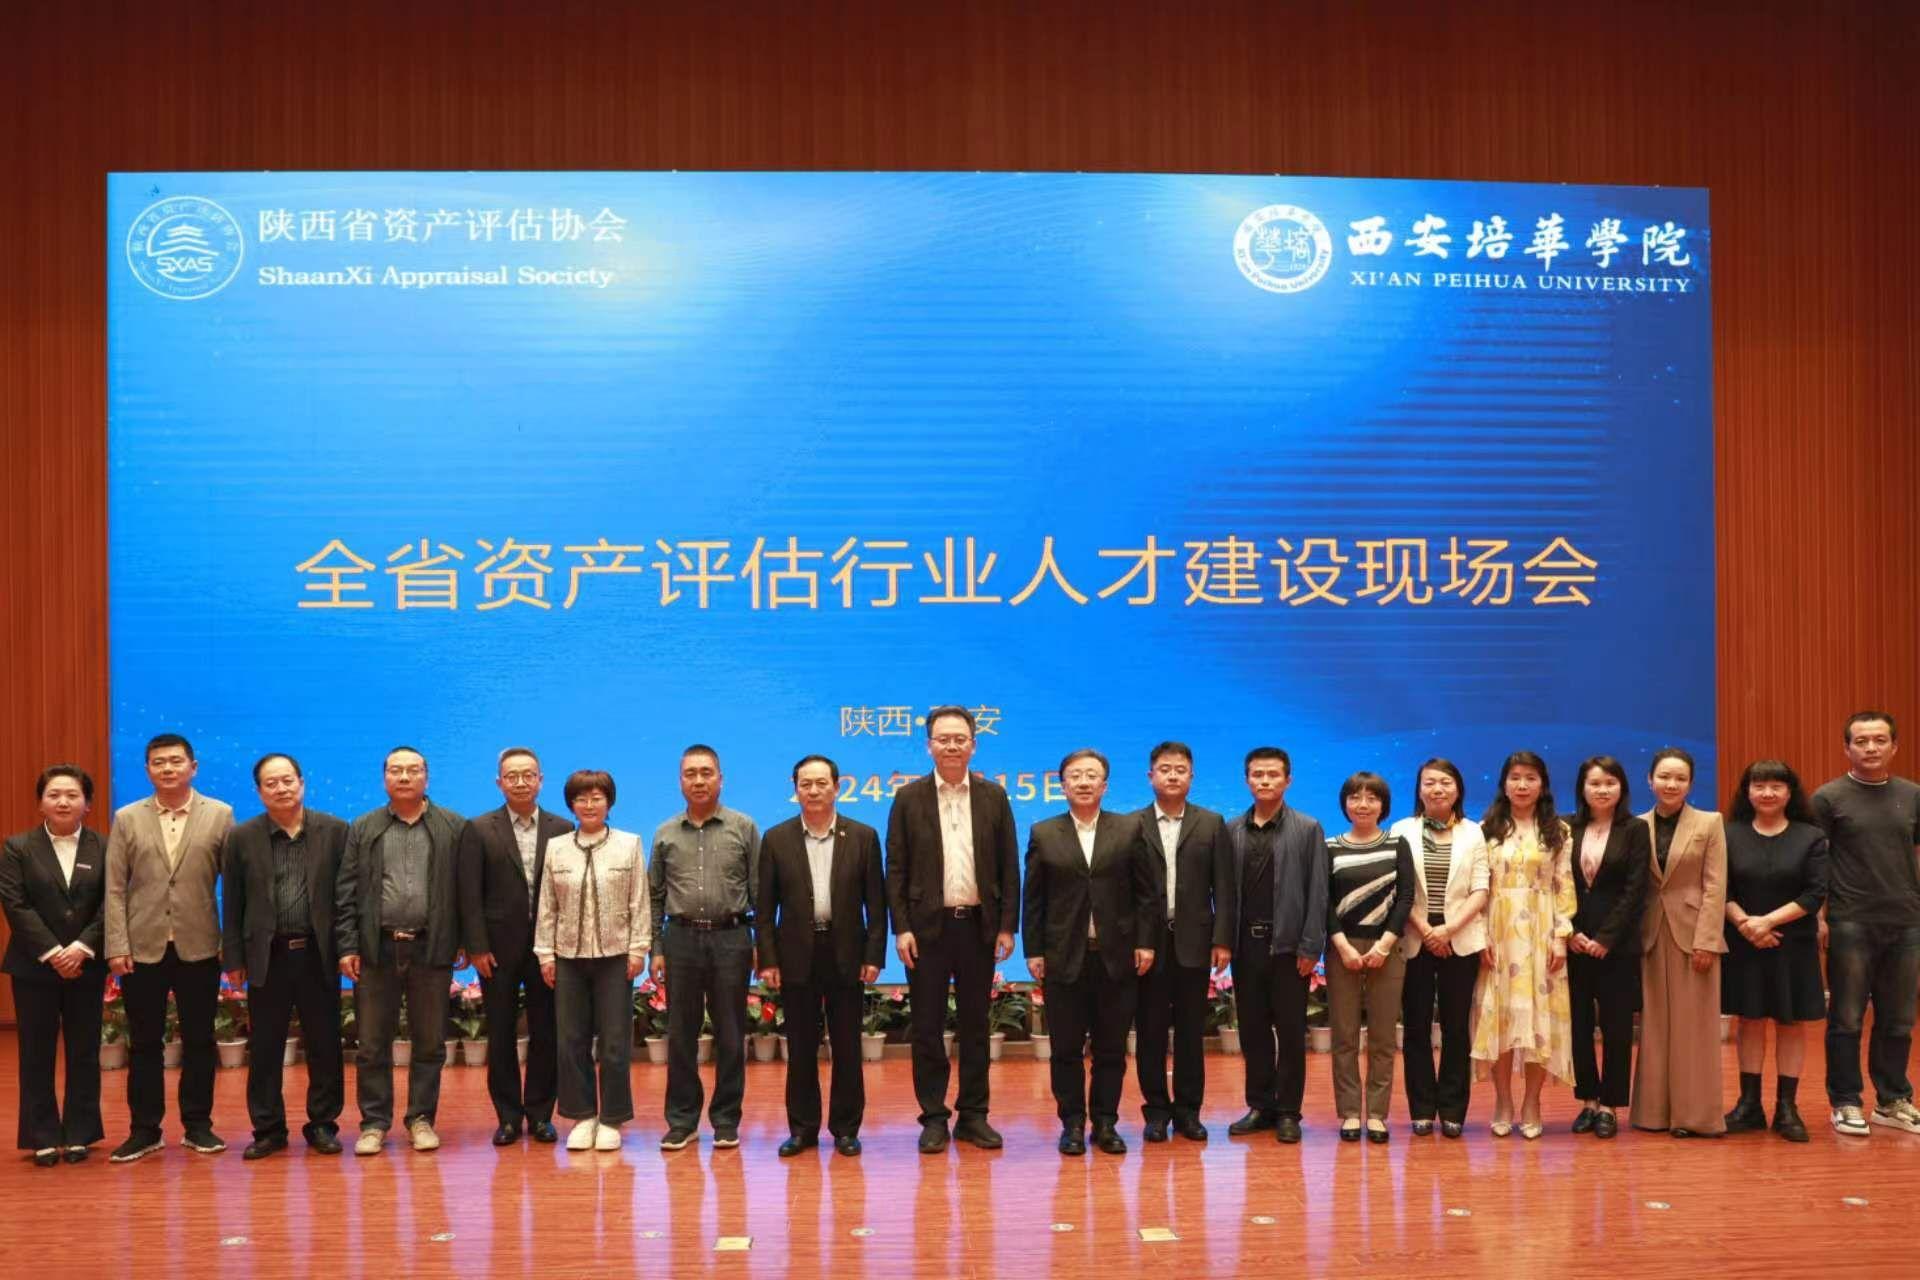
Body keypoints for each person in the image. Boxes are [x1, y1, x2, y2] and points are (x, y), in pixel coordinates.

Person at [885, 706, 1020, 1154]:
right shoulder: (909, 798)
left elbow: (1009, 865)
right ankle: (934, 1118)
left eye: (960, 739)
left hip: (978, 927)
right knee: (927, 1026)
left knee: (976, 1025)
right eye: (943, 739)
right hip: (927, 931)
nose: (952, 746)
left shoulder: (993, 797)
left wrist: (1007, 926)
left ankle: (974, 1116)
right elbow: (896, 868)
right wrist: (901, 927)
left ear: (973, 745)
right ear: (929, 746)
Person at [103, 733, 235, 1162]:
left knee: (200, 1039)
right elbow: (114, 887)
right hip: (142, 947)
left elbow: (234, 886)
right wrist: (116, 944)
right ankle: (144, 1130)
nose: (167, 768)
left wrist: (231, 945)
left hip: (200, 945)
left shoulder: (220, 814)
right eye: (158, 762)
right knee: (144, 1042)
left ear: (193, 767)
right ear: (147, 770)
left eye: (176, 761)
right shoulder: (127, 817)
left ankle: (198, 1126)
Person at [1022, 749, 1159, 1156]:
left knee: (1110, 1048)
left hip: (1116, 956)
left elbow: (1146, 893)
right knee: (1065, 1048)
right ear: (1062, 785)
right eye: (1075, 776)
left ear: (1105, 785)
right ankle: (1072, 1123)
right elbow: (1034, 899)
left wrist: (1146, 941)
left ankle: (1105, 1122)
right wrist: (1034, 950)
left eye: (1091, 775)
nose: (1083, 782)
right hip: (1064, 956)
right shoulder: (1044, 832)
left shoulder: (1129, 828)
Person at [335, 746, 468, 1157]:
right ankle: (374, 1123)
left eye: (413, 770)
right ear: (384, 778)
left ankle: (421, 1119)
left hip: (431, 946)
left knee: (429, 1042)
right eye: (396, 770)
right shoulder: (364, 827)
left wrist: (464, 938)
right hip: (377, 948)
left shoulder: (453, 826)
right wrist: (347, 944)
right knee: (372, 1043)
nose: (405, 777)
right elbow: (346, 890)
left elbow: (466, 890)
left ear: (427, 777)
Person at [219, 754, 349, 1159]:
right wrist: (233, 959)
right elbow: (232, 902)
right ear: (259, 791)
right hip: (267, 955)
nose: (281, 788)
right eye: (271, 783)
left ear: (302, 783)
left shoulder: (335, 831)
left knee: (325, 1043)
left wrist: (348, 948)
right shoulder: (242, 837)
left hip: (318, 953)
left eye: (288, 780)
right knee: (266, 1046)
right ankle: (268, 1129)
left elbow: (347, 897)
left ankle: (323, 1124)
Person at [757, 755, 886, 1158]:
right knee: (800, 1047)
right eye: (805, 784)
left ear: (837, 787)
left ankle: (846, 1129)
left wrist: (874, 955)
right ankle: (803, 1129)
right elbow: (765, 909)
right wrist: (768, 960)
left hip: (846, 952)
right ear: (795, 789)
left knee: (847, 1046)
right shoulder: (776, 839)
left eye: (821, 783)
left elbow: (876, 905)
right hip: (796, 954)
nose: (813, 791)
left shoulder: (862, 836)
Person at [457, 746, 574, 1146]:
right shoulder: (478, 828)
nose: (521, 782)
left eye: (528, 775)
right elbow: (469, 893)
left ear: (540, 780)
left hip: (547, 950)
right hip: (497, 951)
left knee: (546, 1032)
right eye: (512, 776)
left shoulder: (562, 828)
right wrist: (476, 946)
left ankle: (540, 1115)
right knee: (501, 1033)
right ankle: (507, 1117)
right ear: (499, 782)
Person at [1811, 711, 1920, 1137]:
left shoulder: (1912, 795)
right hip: (1850, 921)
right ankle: (1845, 1101)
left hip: (1906, 923)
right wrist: (1819, 915)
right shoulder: (1828, 798)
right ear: (1847, 748)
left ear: (1894, 746)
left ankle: (1892, 1100)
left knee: (1899, 1019)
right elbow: (1815, 862)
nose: (1871, 748)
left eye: (1879, 740)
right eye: (1861, 741)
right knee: (1847, 1018)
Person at [649, 744, 760, 1152]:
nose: (699, 780)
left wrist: (761, 944)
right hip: (680, 940)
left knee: (731, 1033)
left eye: (706, 773)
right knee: (681, 1034)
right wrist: (656, 948)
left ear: (721, 779)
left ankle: (726, 1120)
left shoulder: (743, 827)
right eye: (690, 774)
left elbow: (759, 890)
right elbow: (654, 897)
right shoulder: (665, 833)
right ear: (680, 781)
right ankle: (682, 1121)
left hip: (731, 938)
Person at [535, 769, 648, 1152]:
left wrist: (638, 949)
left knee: (615, 1043)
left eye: (597, 798)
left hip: (615, 957)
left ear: (609, 803)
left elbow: (639, 900)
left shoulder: (629, 844)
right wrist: (546, 954)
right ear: (571, 804)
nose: (589, 805)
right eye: (581, 799)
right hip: (568, 957)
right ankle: (582, 1116)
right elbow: (547, 905)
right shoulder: (557, 848)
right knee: (571, 1040)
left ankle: (612, 1118)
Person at [1129, 741, 1234, 1144]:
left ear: (1191, 776)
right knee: (1151, 1032)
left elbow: (1224, 887)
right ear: (1150, 776)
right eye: (1164, 769)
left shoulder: (1211, 823)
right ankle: (1156, 1111)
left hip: (1195, 941)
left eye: (1180, 769)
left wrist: (1222, 939)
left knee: (1191, 1033)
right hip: (1148, 946)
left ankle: (1189, 1112)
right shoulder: (1131, 825)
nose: (1172, 775)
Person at [2, 765, 108, 1166]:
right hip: (34, 966)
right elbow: (15, 904)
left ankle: (81, 1132)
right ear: (41, 803)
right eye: (54, 795)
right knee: (36, 1051)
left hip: (87, 964)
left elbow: (111, 903)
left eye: (72, 795)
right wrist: (53, 951)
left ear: (87, 803)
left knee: (84, 1051)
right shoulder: (17, 847)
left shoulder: (105, 846)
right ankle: (41, 1135)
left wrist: (81, 947)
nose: (63, 802)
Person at [1720, 759, 1828, 1142]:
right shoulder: (1728, 833)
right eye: (1759, 785)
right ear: (1747, 791)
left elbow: (1815, 893)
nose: (1767, 793)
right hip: (1743, 942)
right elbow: (1719, 889)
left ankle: (1787, 1108)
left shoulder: (1811, 836)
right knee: (1749, 1020)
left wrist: (1765, 922)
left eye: (1776, 786)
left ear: (1789, 792)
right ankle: (1749, 1106)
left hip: (1792, 945)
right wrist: (1746, 925)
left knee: (1790, 1022)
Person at [1469, 750, 1574, 1140]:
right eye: (1515, 777)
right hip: (1497, 933)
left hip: (1541, 933)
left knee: (1537, 1021)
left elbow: (1564, 887)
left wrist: (1561, 937)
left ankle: (1532, 1101)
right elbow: (1477, 887)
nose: (1523, 785)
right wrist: (1480, 935)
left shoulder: (1558, 831)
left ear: (1542, 784)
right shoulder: (1486, 829)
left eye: (1531, 777)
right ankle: (1502, 1101)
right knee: (1501, 1021)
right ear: (1504, 783)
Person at [1226, 746, 1328, 1145]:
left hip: (1289, 948)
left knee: (1290, 1031)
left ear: (1288, 780)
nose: (1265, 780)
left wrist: (1311, 946)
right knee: (1252, 1031)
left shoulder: (1307, 828)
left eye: (1273, 774)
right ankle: (1260, 1106)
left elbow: (1318, 892)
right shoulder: (1232, 830)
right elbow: (1224, 894)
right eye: (1257, 774)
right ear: (1246, 780)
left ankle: (1288, 1111)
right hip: (1245, 948)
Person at [1629, 746, 1728, 1137]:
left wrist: (1708, 939)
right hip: (1650, 934)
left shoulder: (1710, 822)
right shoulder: (1636, 825)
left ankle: (1695, 1116)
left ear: (1690, 783)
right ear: (1649, 780)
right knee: (1653, 1028)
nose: (1671, 784)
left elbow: (1715, 885)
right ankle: (1652, 1114)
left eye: (1680, 778)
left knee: (1695, 1029)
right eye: (1664, 777)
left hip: (1694, 935)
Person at [1389, 758, 1489, 1139]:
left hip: (1458, 941)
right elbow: (1399, 889)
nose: (1437, 789)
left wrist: (1447, 930)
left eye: (1445, 782)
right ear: (1419, 789)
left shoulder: (1474, 832)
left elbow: (1481, 889)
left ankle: (1452, 1109)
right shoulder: (1402, 830)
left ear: (1458, 789)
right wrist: (1427, 930)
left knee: (1456, 1028)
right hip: (1414, 939)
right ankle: (1421, 1108)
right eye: (1429, 782)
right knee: (1415, 1027)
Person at [1323, 772, 1415, 1144]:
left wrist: (1384, 945)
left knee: (1382, 1038)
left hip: (1387, 950)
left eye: (1372, 798)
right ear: (1345, 803)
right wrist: (1343, 946)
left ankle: (1376, 1114)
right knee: (1344, 1036)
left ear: (1383, 804)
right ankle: (1349, 1113)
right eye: (1355, 797)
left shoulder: (1397, 844)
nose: (1363, 804)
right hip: (1342, 949)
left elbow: (1405, 897)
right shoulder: (1330, 846)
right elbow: (1323, 900)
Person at [1564, 755, 1650, 1140]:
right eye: (1595, 783)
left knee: (1616, 1028)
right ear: (1582, 788)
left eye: (1610, 783)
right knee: (1578, 1027)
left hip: (1617, 946)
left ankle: (1611, 1107)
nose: (1602, 790)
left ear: (1622, 788)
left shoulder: (1635, 829)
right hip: (1574, 943)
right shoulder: (1566, 827)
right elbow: (1555, 884)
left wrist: (1606, 938)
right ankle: (1588, 1101)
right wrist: (1570, 931)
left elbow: (1635, 890)